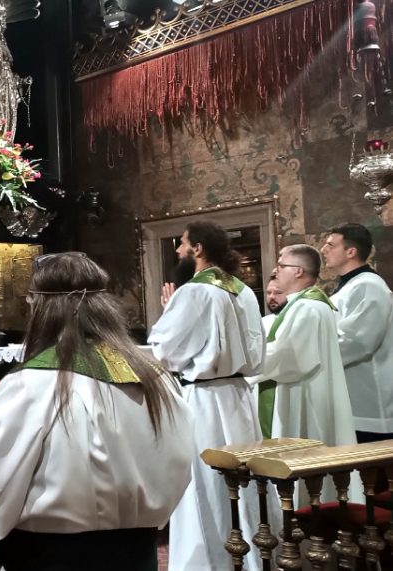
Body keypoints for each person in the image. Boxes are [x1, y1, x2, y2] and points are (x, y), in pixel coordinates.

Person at [0, 252, 192, 571]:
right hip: (139, 554)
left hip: (53, 556)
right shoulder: (156, 379)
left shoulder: (34, 383)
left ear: (42, 309)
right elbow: (179, 463)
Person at [147, 221, 266, 571]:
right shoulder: (242, 290)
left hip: (205, 399)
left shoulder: (194, 291)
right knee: (245, 481)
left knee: (205, 483)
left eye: (182, 244)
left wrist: (170, 311)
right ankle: (253, 557)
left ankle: (207, 561)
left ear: (198, 249)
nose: (178, 251)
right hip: (238, 397)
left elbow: (166, 350)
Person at [252, 245, 358, 505]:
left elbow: (289, 357)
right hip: (303, 391)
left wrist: (242, 362)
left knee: (304, 461)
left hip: (304, 397)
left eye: (281, 264)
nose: (275, 270)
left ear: (298, 271)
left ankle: (304, 517)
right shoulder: (303, 305)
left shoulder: (307, 307)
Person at [321, 223, 393, 442]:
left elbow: (357, 340)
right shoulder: (349, 286)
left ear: (351, 252)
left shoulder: (369, 286)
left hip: (368, 399)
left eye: (330, 245)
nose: (323, 250)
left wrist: (313, 353)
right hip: (350, 393)